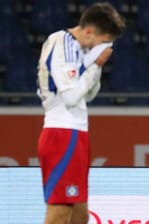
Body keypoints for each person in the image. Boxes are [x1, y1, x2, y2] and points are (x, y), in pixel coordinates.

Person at [36, 2, 125, 224]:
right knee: (60, 210)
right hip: (61, 133)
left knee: (80, 214)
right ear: (89, 31)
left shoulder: (77, 48)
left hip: (76, 132)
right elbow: (71, 97)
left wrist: (97, 67)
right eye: (101, 42)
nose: (100, 48)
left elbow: (88, 95)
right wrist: (94, 65)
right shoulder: (62, 43)